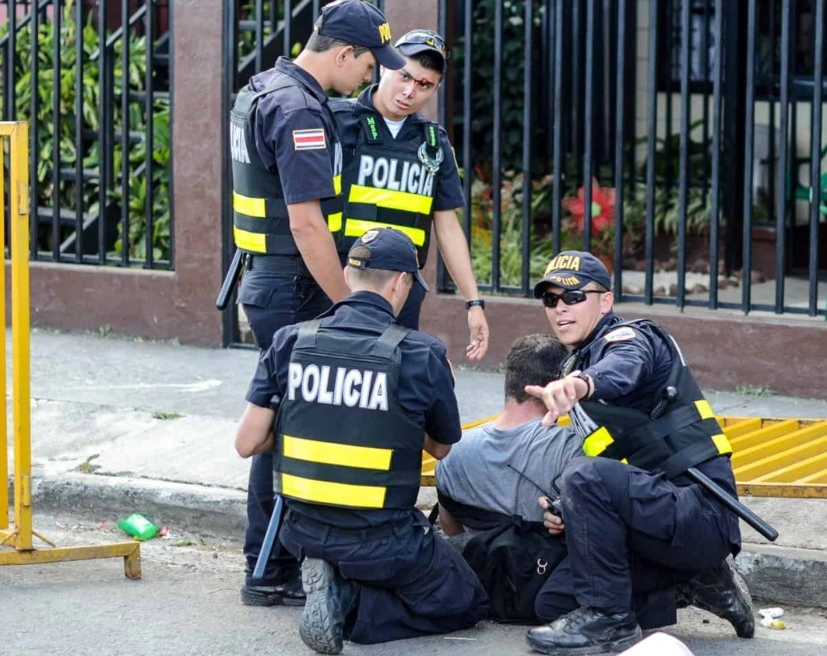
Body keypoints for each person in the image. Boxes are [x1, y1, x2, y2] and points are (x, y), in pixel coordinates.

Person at [233, 226, 489, 654]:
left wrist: (320, 421)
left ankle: (333, 579)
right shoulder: (420, 354)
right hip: (383, 539)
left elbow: (246, 443)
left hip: (302, 532)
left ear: (349, 277)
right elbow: (442, 448)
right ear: (402, 282)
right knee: (466, 601)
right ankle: (347, 601)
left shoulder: (290, 340)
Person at [228, 0, 405, 608]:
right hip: (295, 285)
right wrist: (350, 306)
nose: (372, 79)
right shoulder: (301, 109)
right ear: (344, 54)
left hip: (268, 278)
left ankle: (272, 562)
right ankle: (269, 565)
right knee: (290, 427)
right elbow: (307, 226)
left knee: (286, 422)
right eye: (369, 65)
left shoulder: (263, 87)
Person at [519, 250, 755, 654]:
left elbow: (623, 369)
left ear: (605, 301)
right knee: (552, 600)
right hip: (654, 517)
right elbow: (620, 466)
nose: (560, 308)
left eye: (574, 297)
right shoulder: (581, 357)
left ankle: (612, 621)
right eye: (551, 299)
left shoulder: (632, 339)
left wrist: (580, 385)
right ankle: (695, 578)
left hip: (700, 512)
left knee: (583, 475)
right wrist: (565, 507)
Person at [328, 28, 489, 358]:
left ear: (436, 88)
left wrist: (473, 302)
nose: (410, 91)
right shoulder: (337, 121)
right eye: (405, 76)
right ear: (386, 66)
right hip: (343, 282)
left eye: (424, 85)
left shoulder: (433, 141)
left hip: (402, 289)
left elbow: (447, 227)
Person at [435, 333, 581, 537]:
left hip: (473, 565)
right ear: (557, 386)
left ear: (510, 379)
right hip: (545, 566)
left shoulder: (451, 453)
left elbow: (452, 531)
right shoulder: (574, 451)